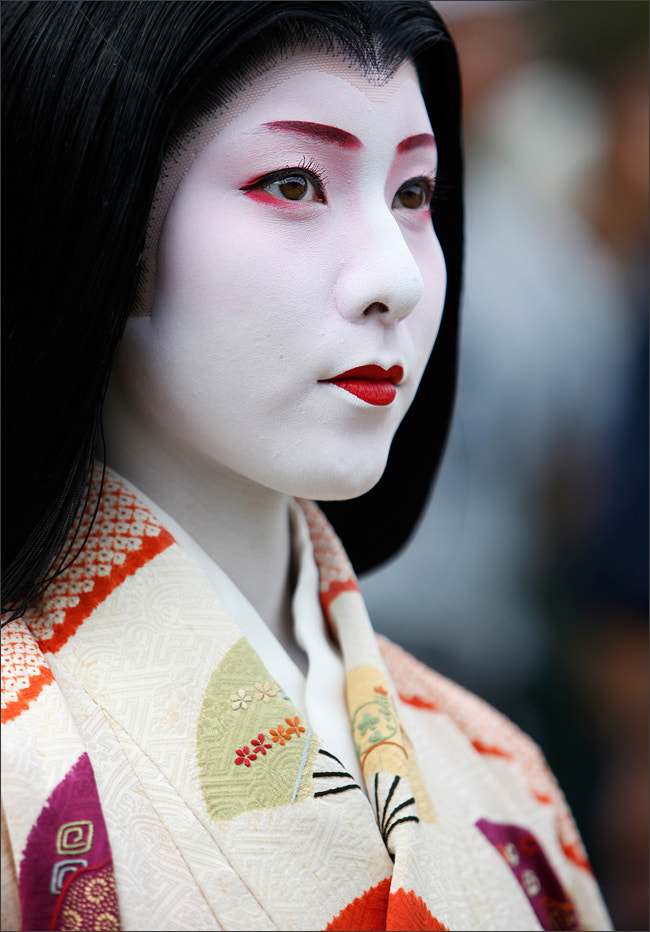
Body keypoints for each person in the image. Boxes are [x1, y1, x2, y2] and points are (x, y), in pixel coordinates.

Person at [1, 3, 610, 930]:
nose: (394, 278)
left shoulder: (500, 775)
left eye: (413, 195)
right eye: (293, 183)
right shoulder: (21, 756)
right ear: (102, 204)